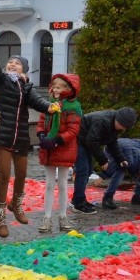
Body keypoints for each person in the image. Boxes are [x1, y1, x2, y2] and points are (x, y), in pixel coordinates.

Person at [0, 32, 49, 237]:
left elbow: (38, 102)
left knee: (21, 175)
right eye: (10, 62)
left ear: (24, 70)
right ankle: (0, 218)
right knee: (4, 176)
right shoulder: (0, 81)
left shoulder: (26, 87)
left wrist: (50, 107)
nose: (12, 64)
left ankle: (16, 205)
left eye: (17, 63)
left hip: (20, 137)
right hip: (2, 134)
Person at [36, 74, 83, 233]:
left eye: (59, 87)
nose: (55, 89)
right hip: (48, 149)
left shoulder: (73, 107)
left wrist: (57, 140)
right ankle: (47, 217)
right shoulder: (49, 104)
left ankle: (63, 216)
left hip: (63, 149)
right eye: (54, 86)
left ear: (67, 89)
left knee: (62, 184)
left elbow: (73, 130)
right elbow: (41, 121)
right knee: (49, 184)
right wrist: (42, 135)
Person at [72, 107, 137, 214]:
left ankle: (78, 199)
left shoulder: (114, 125)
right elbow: (92, 141)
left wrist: (120, 159)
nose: (123, 129)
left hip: (86, 142)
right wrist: (103, 160)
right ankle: (78, 203)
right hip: (79, 140)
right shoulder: (102, 121)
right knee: (83, 171)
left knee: (88, 171)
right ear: (118, 119)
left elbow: (112, 142)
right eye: (122, 125)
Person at [99, 138, 140, 207]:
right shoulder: (130, 161)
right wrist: (103, 176)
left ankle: (138, 197)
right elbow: (111, 166)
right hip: (112, 149)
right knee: (120, 172)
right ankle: (107, 198)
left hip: (129, 150)